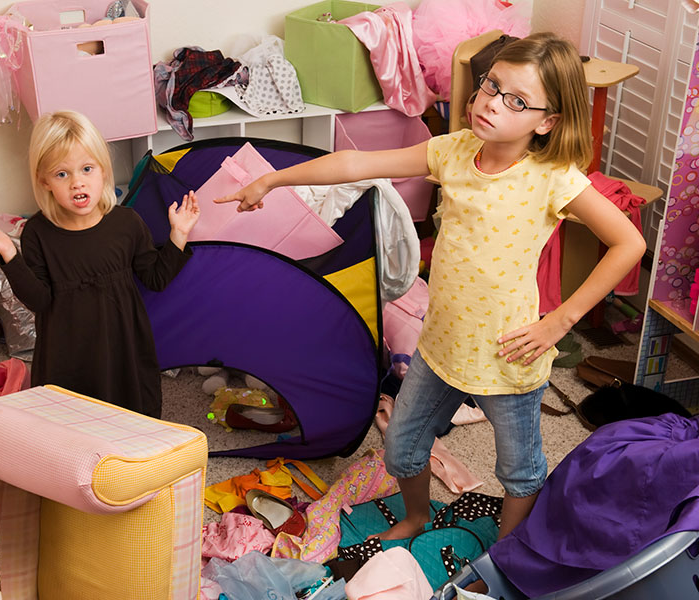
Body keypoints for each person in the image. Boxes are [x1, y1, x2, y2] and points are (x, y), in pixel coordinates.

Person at [216, 32, 646, 539]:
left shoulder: (555, 178)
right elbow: (356, 164)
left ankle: (506, 557)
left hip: (510, 358)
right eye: (491, 85)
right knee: (401, 448)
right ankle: (416, 518)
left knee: (520, 471)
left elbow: (629, 243)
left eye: (517, 101)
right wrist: (272, 180)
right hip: (440, 346)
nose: (491, 103)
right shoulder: (455, 151)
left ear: (547, 121)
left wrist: (561, 320)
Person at [0, 110, 199, 418]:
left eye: (86, 169)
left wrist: (178, 235)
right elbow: (39, 299)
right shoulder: (38, 232)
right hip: (68, 354)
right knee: (73, 425)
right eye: (62, 174)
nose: (77, 183)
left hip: (122, 348)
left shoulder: (127, 223)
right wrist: (10, 254)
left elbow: (156, 277)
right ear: (44, 181)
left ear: (103, 170)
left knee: (131, 421)